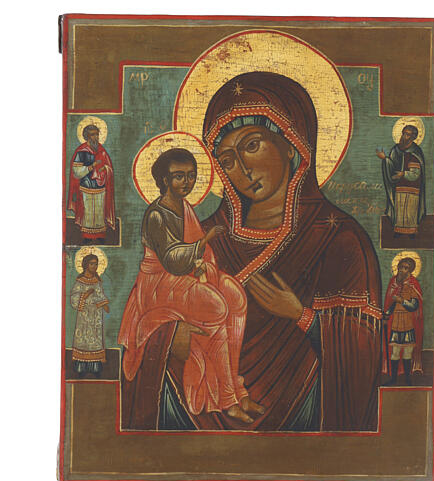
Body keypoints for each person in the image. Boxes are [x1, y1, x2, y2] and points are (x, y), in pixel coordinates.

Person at [121, 72, 383, 432]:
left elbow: (364, 351)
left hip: (302, 424)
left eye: (253, 145)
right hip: (192, 424)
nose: (243, 170)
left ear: (291, 142)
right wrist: (170, 340)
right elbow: (144, 315)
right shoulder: (201, 234)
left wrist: (302, 316)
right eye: (227, 160)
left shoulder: (338, 237)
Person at [119, 148, 264, 424]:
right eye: (178, 176)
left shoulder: (185, 207)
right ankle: (226, 399)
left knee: (235, 296)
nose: (186, 182)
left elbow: (195, 255)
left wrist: (202, 264)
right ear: (164, 180)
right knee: (217, 307)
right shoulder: (157, 215)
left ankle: (237, 389)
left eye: (191, 176)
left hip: (185, 275)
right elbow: (172, 261)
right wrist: (204, 240)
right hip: (160, 284)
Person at [68, 124, 116, 243]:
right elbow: (76, 172)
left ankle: (100, 236)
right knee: (88, 215)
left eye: (97, 134)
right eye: (93, 135)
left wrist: (105, 169)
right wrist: (90, 167)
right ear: (87, 136)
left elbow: (109, 168)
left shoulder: (102, 151)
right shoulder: (81, 152)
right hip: (86, 188)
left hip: (100, 188)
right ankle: (87, 237)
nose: (96, 137)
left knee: (99, 214)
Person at [377, 125, 426, 237]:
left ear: (413, 137)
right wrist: (385, 159)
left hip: (412, 187)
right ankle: (398, 231)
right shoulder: (396, 149)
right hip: (399, 186)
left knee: (410, 211)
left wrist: (403, 174)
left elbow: (416, 173)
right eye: (404, 133)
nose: (404, 136)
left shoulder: (416, 152)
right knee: (400, 210)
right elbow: (392, 166)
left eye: (407, 134)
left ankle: (411, 232)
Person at [382, 257, 424, 385]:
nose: (402, 270)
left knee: (407, 352)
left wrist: (402, 301)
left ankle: (407, 379)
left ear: (410, 270)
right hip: (395, 322)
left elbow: (414, 306)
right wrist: (386, 315)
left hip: (408, 322)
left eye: (406, 268)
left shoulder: (413, 285)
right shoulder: (394, 283)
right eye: (401, 267)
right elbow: (390, 304)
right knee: (395, 352)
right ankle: (393, 379)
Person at [70, 253, 110, 377]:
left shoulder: (97, 281)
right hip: (84, 317)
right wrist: (85, 295)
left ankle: (95, 368)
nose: (95, 266)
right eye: (92, 264)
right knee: (83, 339)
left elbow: (100, 295)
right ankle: (81, 368)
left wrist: (104, 304)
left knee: (95, 340)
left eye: (96, 264)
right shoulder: (80, 281)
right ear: (86, 265)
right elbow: (74, 299)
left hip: (95, 317)